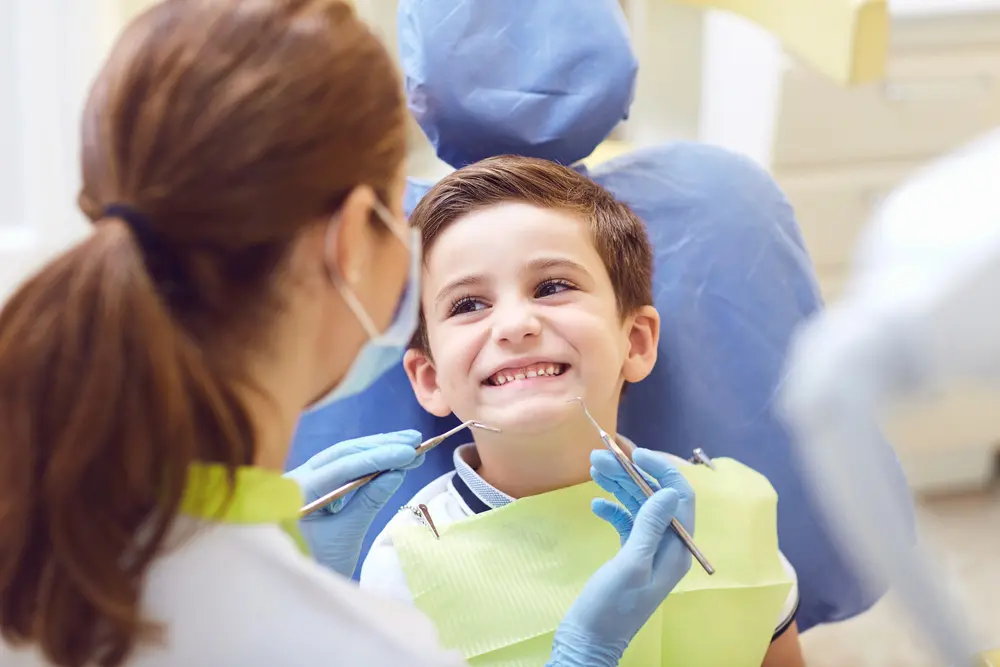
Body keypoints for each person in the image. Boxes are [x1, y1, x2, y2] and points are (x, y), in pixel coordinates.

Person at [0, 2, 696, 666]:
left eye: (551, 287)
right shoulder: (368, 641)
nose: (516, 324)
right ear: (351, 237)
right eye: (402, 204)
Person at [358, 156, 806, 667]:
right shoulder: (403, 572)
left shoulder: (729, 513)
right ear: (431, 379)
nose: (515, 324)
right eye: (467, 305)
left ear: (635, 342)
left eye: (552, 287)